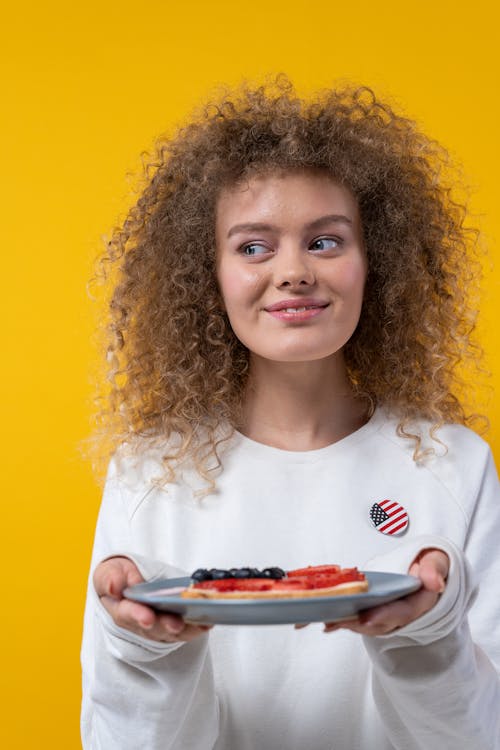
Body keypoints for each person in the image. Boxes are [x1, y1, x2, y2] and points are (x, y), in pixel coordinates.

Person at [81, 77, 500, 750]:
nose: (293, 271)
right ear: (208, 274)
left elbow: (477, 738)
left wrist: (427, 628)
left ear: (377, 263)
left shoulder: (455, 464)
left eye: (325, 241)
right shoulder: (150, 472)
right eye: (253, 246)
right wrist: (141, 649)